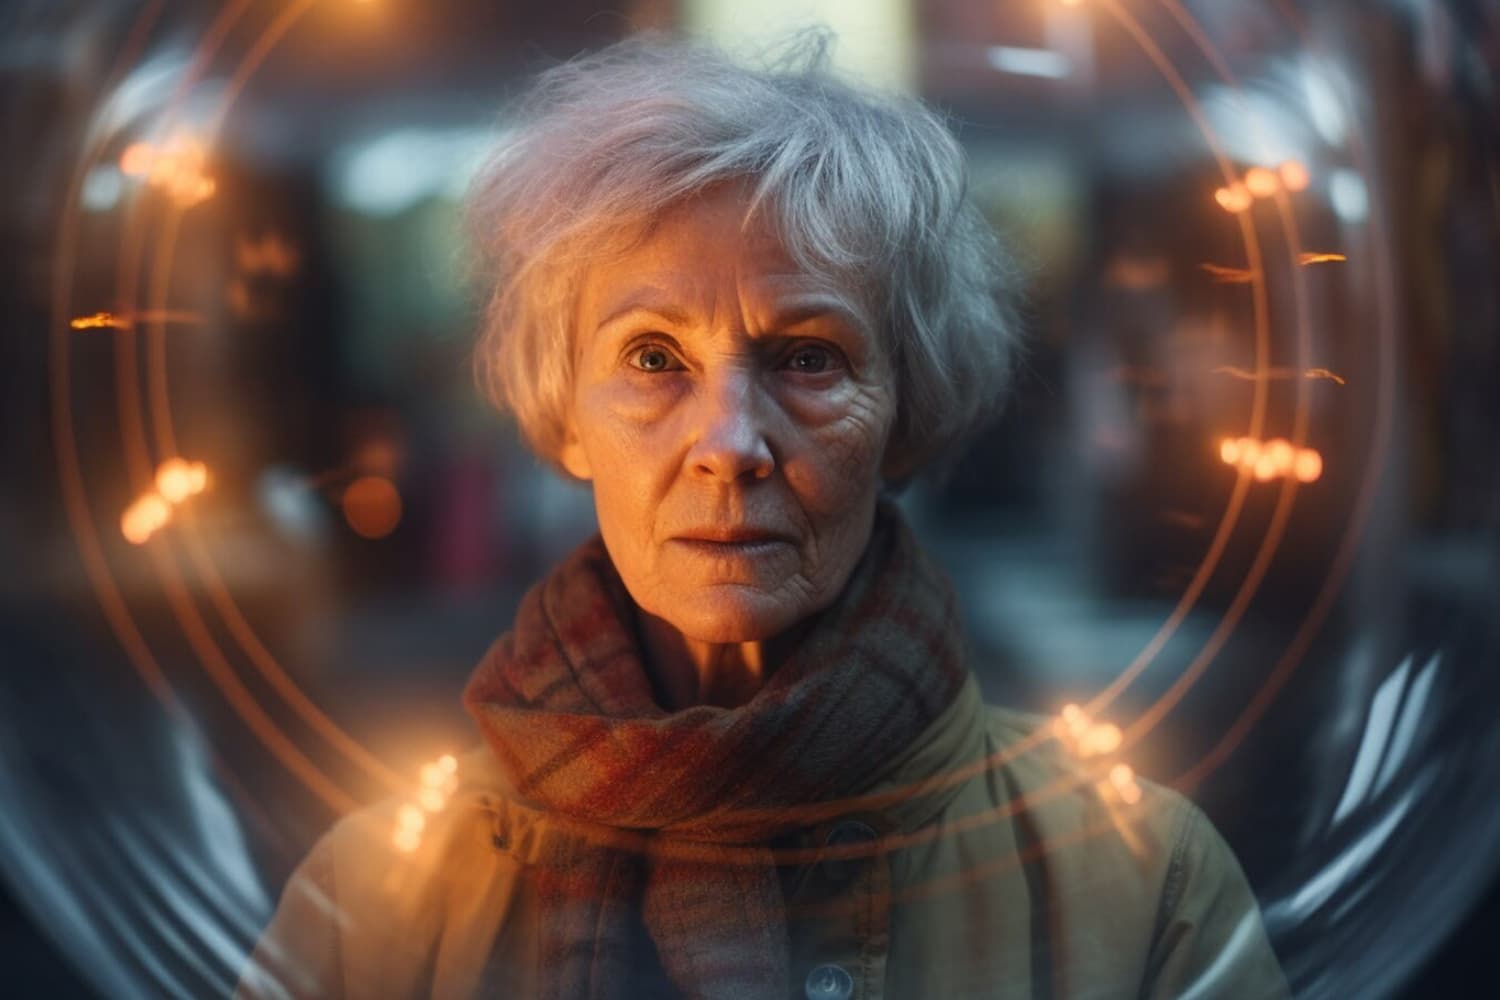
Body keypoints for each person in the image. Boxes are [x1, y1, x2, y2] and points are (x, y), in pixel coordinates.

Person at [238, 30, 1289, 1000]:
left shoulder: (1143, 883)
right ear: (562, 419)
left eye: (807, 358)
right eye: (654, 359)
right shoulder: (372, 903)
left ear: (908, 413)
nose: (731, 443)